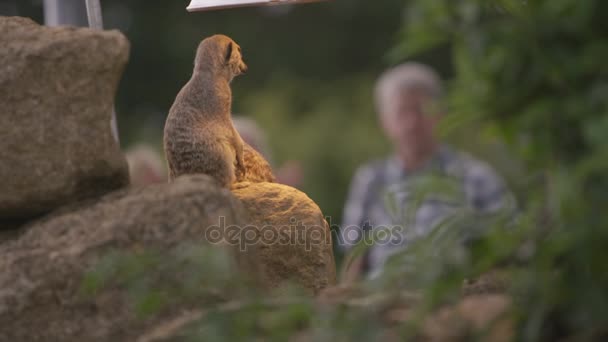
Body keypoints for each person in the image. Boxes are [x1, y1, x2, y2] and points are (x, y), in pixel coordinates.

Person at [340, 62, 512, 281]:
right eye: (402, 112)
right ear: (385, 122)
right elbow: (353, 260)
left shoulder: (476, 177)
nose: (412, 123)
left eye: (420, 110)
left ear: (440, 114)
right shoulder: (370, 179)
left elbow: (505, 251)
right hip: (380, 304)